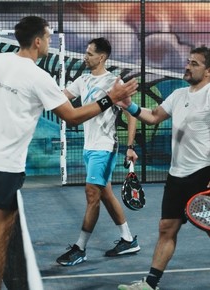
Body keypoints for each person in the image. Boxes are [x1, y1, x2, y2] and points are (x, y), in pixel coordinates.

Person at [0, 16, 137, 290]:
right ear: (38, 41)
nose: (51, 40)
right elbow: (73, 117)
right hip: (3, 167)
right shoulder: (39, 77)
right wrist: (109, 99)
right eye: (49, 35)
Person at [118, 46, 210, 290]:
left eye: (194, 63)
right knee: (166, 228)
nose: (187, 66)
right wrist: (129, 106)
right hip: (176, 175)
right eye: (188, 61)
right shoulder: (179, 95)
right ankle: (150, 283)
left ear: (208, 71)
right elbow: (153, 116)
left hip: (204, 173)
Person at [56, 38, 140, 266]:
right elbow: (60, 98)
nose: (85, 56)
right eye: (86, 53)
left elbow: (132, 112)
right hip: (89, 147)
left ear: (101, 57)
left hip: (105, 147)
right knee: (105, 194)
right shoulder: (82, 80)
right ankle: (128, 239)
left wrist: (130, 146)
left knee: (92, 194)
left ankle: (80, 248)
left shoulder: (115, 82)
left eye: (90, 53)